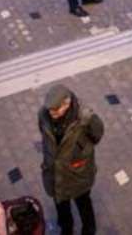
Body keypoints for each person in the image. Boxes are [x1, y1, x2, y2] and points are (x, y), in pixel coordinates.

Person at [38, 83, 104, 235]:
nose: (51, 113)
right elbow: (43, 132)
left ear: (67, 103)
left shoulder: (86, 118)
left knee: (83, 203)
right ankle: (66, 228)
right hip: (55, 173)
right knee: (61, 204)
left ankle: (88, 229)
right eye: (50, 109)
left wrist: (81, 149)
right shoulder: (43, 114)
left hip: (78, 173)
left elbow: (97, 134)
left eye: (55, 110)